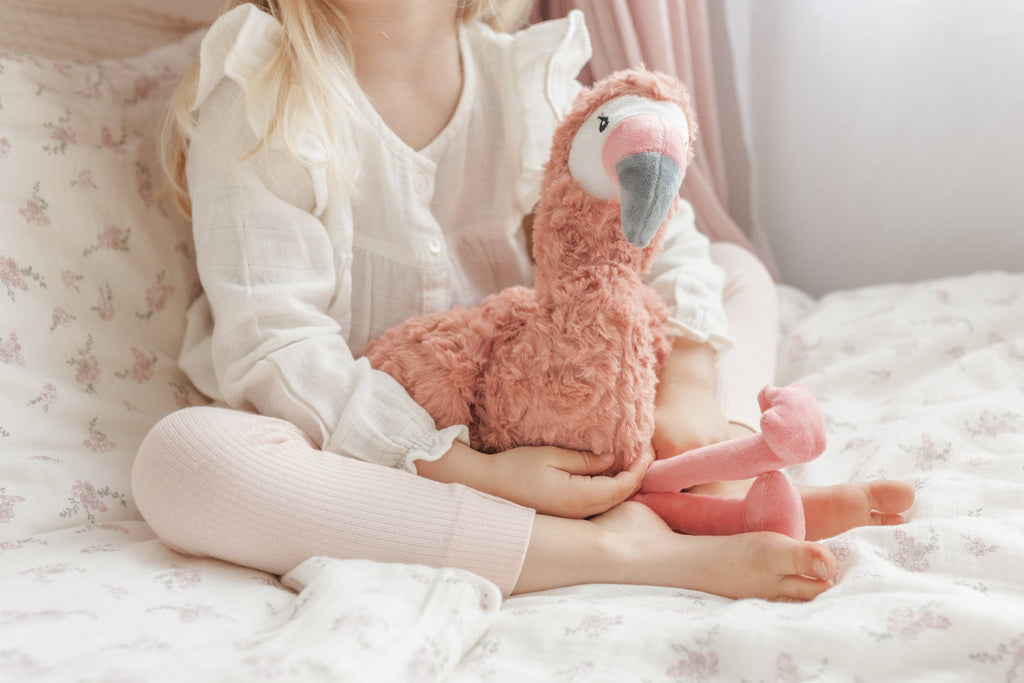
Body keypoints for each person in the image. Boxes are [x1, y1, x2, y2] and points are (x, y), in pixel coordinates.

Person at [132, 0, 914, 602]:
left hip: (551, 397)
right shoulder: (263, 91)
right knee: (184, 461)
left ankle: (717, 472)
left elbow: (663, 242)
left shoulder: (524, 77)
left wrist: (684, 387)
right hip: (382, 449)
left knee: (735, 269)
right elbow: (276, 348)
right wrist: (473, 473)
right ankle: (631, 548)